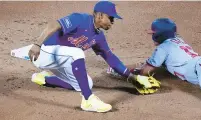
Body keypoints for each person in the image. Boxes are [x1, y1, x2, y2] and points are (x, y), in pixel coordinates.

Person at [27, 1, 160, 113]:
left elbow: (110, 58)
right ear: (100, 15)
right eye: (111, 18)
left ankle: (43, 79)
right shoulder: (80, 19)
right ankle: (88, 100)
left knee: (86, 83)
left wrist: (132, 78)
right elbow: (53, 25)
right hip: (44, 52)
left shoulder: (98, 37)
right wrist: (37, 44)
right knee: (78, 54)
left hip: (62, 59)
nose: (112, 22)